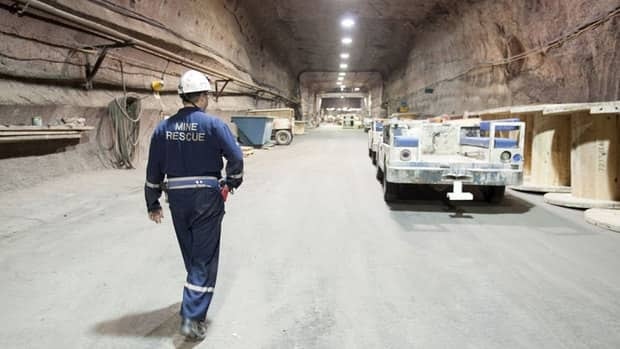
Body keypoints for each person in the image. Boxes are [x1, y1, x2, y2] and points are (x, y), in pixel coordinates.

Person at [144, 70, 244, 341]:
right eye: (207, 95)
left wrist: (152, 202)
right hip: (207, 198)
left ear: (182, 95)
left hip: (177, 198)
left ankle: (193, 300)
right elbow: (235, 157)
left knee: (192, 255)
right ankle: (191, 318)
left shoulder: (163, 128)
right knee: (204, 259)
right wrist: (232, 182)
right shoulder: (213, 125)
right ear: (201, 96)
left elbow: (153, 169)